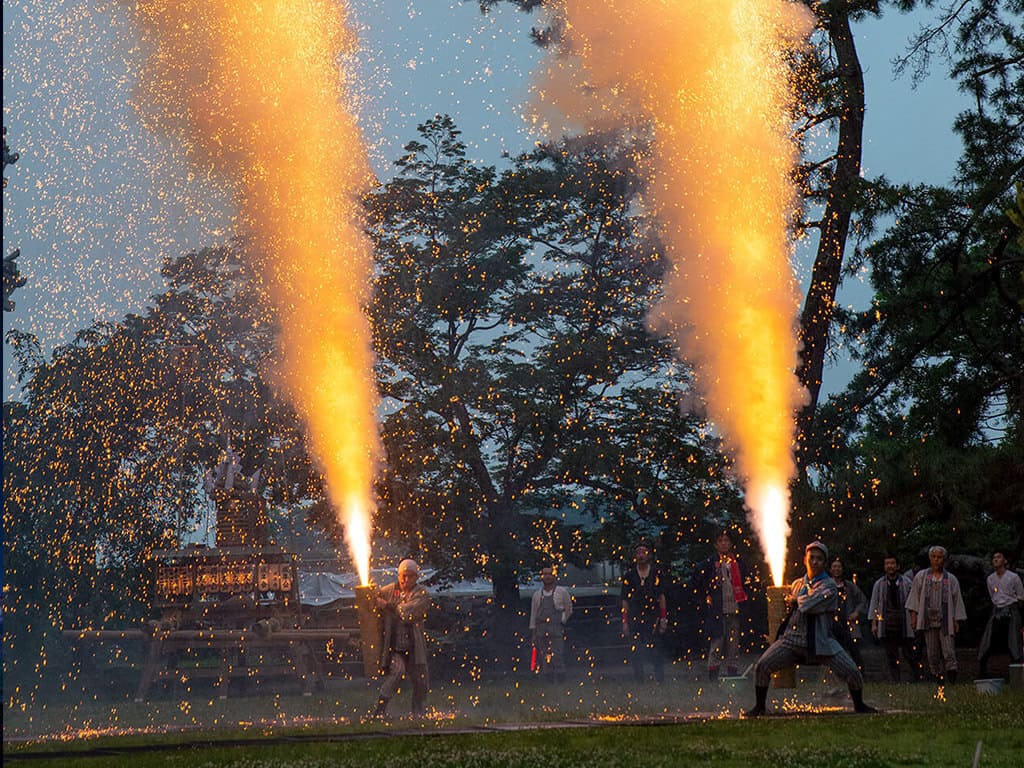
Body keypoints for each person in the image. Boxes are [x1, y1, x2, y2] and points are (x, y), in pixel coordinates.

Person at [745, 541, 876, 717]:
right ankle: (759, 707)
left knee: (853, 672)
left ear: (824, 563)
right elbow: (791, 609)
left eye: (819, 559)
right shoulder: (797, 583)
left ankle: (859, 705)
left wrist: (793, 599)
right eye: (811, 558)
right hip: (791, 640)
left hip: (821, 642)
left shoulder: (829, 585)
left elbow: (807, 605)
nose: (815, 562)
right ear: (805, 560)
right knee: (762, 666)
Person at [373, 559, 432, 718]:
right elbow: (372, 600)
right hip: (395, 648)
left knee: (421, 682)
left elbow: (407, 613)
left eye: (410, 576)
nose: (406, 580)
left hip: (414, 648)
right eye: (403, 576)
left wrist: (387, 605)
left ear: (416, 577)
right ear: (399, 575)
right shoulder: (388, 591)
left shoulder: (422, 594)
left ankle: (417, 712)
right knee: (397, 672)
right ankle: (380, 710)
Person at [693, 529, 750, 681]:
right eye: (721, 541)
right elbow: (698, 582)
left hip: (735, 607)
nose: (724, 544)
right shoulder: (710, 563)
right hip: (717, 609)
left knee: (733, 643)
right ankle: (713, 675)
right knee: (717, 642)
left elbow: (746, 583)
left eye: (726, 540)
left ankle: (732, 673)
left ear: (731, 543)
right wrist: (706, 596)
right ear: (716, 544)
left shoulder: (738, 563)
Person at [905, 545, 967, 684]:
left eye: (939, 557)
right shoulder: (921, 576)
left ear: (943, 560)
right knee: (932, 653)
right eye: (933, 557)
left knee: (948, 651)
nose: (936, 560)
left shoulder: (951, 579)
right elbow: (915, 598)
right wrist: (914, 617)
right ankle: (938, 681)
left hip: (945, 620)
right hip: (928, 620)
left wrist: (956, 620)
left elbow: (957, 600)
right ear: (930, 559)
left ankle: (952, 681)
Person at [620, 540, 668, 683]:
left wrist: (663, 618)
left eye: (644, 552)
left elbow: (661, 597)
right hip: (635, 617)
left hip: (653, 617)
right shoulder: (629, 575)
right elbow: (624, 600)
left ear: (649, 555)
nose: (641, 555)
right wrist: (624, 622)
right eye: (638, 552)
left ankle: (660, 680)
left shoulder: (656, 573)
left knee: (656, 650)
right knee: (636, 650)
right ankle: (639, 680)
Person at [868, 554, 919, 682]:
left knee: (910, 654)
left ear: (898, 566)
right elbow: (874, 603)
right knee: (891, 655)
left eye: (892, 563)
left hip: (904, 621)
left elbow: (913, 602)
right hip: (887, 623)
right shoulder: (879, 584)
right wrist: (874, 623)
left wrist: (914, 619)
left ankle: (918, 677)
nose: (890, 566)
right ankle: (895, 680)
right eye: (887, 564)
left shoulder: (906, 582)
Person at [977, 551, 1024, 679]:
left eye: (999, 557)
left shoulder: (1013, 577)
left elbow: (1020, 597)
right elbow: (993, 596)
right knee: (988, 638)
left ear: (1005, 561)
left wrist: (1013, 610)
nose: (995, 560)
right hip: (997, 609)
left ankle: (1017, 671)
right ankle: (982, 668)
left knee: (1014, 640)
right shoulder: (990, 579)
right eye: (994, 558)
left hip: (1011, 608)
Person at [529, 566, 574, 681]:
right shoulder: (537, 595)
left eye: (549, 574)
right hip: (541, 629)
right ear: (541, 577)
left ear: (554, 576)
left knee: (557, 654)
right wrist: (534, 633)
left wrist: (562, 620)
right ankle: (547, 678)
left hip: (556, 628)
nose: (547, 577)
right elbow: (533, 615)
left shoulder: (561, 592)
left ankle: (560, 678)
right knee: (544, 655)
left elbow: (568, 609)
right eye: (545, 574)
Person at [829, 556, 867, 670]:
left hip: (848, 624)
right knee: (835, 653)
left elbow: (862, 601)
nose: (837, 569)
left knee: (854, 651)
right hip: (832, 625)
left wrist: (856, 612)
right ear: (830, 569)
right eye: (834, 566)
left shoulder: (849, 586)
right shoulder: (827, 585)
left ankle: (860, 673)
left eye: (839, 566)